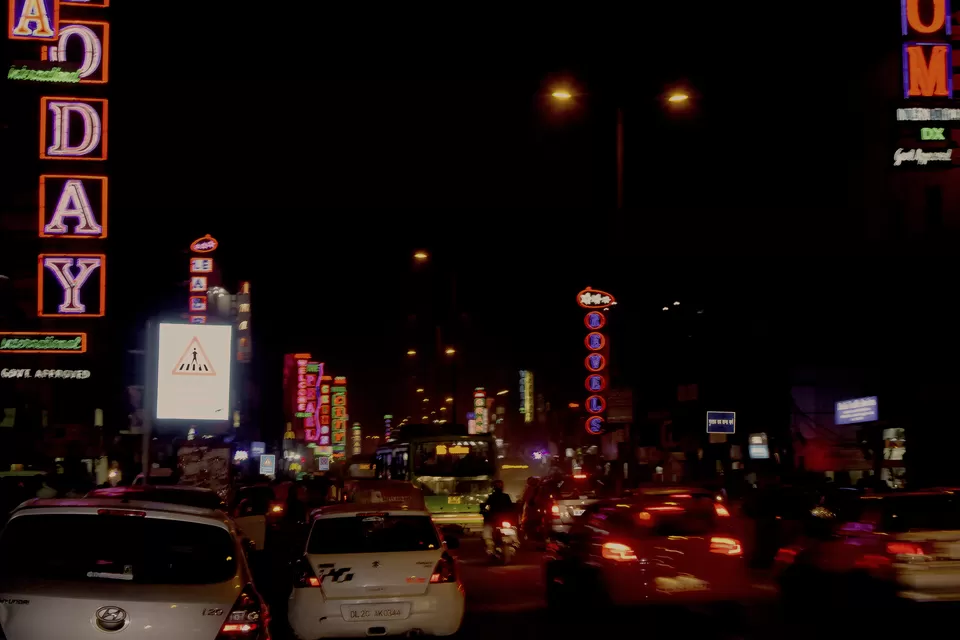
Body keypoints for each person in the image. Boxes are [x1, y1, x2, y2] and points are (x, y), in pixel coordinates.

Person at [480, 479, 514, 556]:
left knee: (512, 529)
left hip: (502, 519)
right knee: (487, 530)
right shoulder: (493, 497)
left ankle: (513, 545)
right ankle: (490, 547)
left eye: (499, 485)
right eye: (497, 485)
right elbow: (486, 507)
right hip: (495, 519)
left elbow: (511, 507)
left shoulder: (504, 496)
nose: (499, 487)